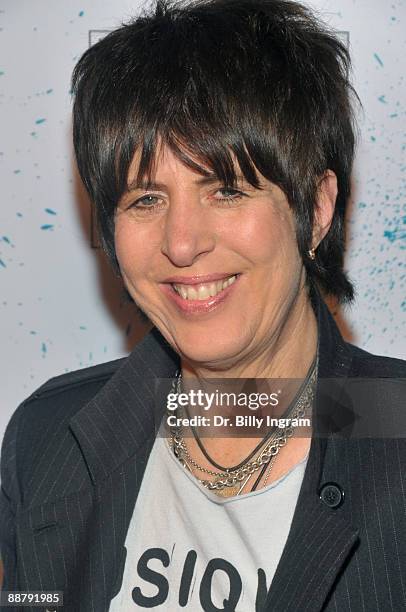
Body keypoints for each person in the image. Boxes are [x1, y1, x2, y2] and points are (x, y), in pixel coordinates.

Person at [1, 0, 405, 610]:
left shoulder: (391, 433)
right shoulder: (47, 437)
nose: (183, 243)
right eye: (145, 199)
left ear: (315, 210)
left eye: (226, 189)